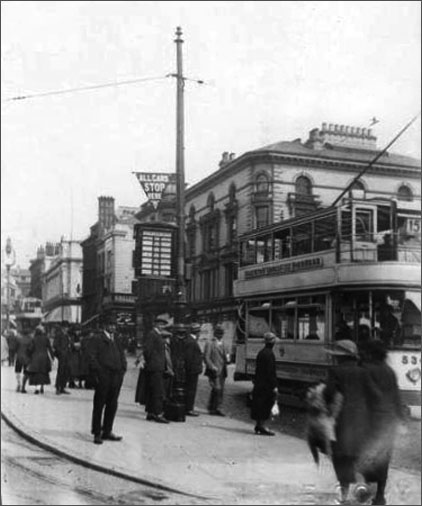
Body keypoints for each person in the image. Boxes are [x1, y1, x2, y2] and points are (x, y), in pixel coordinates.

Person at [323, 339, 381, 505]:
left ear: (340, 357)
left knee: (341, 455)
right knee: (359, 453)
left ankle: (344, 493)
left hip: (343, 418)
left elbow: (329, 393)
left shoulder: (335, 371)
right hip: (363, 420)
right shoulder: (364, 372)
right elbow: (375, 395)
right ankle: (364, 487)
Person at [359, 340, 405, 506]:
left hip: (370, 420)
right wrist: (400, 419)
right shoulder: (389, 371)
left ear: (369, 353)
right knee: (383, 458)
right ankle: (380, 496)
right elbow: (396, 396)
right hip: (388, 421)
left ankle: (368, 486)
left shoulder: (365, 371)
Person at [88, 319, 127, 444]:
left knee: (112, 404)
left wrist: (123, 368)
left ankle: (107, 430)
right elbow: (91, 356)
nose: (112, 327)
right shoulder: (97, 338)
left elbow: (122, 355)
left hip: (116, 376)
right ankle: (97, 432)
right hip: (104, 375)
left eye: (114, 325)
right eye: (110, 324)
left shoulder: (117, 339)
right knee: (99, 405)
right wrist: (98, 372)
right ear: (105, 325)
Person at [142, 316, 170, 423]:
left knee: (153, 390)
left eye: (163, 324)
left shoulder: (157, 334)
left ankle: (151, 412)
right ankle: (158, 413)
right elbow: (147, 350)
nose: (162, 326)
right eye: (160, 324)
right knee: (158, 391)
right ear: (156, 324)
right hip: (155, 367)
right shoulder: (152, 334)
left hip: (156, 366)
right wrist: (152, 362)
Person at [250, 332, 278, 435]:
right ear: (272, 342)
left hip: (259, 383)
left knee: (259, 404)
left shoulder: (261, 352)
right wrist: (274, 385)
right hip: (266, 385)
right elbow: (270, 372)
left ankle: (258, 425)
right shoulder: (269, 354)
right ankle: (262, 426)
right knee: (265, 405)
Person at [204, 323, 230, 416]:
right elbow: (206, 357)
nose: (220, 335)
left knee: (220, 390)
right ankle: (213, 408)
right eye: (218, 333)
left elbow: (226, 355)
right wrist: (211, 366)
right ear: (215, 333)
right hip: (214, 370)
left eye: (221, 333)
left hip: (223, 370)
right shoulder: (210, 343)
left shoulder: (224, 343)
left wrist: (228, 359)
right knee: (217, 389)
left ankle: (215, 407)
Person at [26, 325, 54, 394]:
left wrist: (28, 354)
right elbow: (50, 348)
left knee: (36, 374)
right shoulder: (46, 338)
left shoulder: (34, 339)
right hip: (44, 357)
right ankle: (41, 387)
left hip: (35, 357)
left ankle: (37, 388)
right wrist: (52, 357)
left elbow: (30, 349)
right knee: (43, 373)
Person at [184, 322, 203, 416]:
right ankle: (189, 409)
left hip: (192, 370)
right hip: (192, 371)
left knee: (190, 389)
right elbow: (189, 358)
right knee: (191, 390)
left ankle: (188, 408)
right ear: (197, 332)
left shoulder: (190, 340)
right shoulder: (192, 342)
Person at [53, 322, 72, 395]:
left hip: (67, 355)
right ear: (62, 328)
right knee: (61, 371)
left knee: (66, 371)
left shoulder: (67, 335)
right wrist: (60, 352)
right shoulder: (59, 335)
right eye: (65, 327)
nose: (67, 329)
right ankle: (58, 387)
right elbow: (55, 345)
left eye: (67, 327)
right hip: (62, 355)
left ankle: (63, 387)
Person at [14, 328, 33, 393]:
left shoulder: (18, 339)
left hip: (19, 357)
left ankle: (19, 383)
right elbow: (31, 349)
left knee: (18, 371)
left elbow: (15, 348)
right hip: (26, 358)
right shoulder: (30, 340)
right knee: (26, 372)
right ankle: (23, 387)